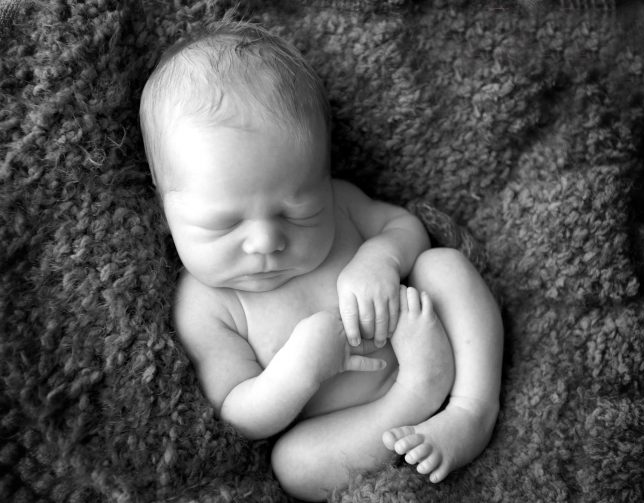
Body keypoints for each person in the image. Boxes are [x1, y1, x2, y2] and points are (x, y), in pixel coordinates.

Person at [139, 21, 503, 502]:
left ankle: (472, 408)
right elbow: (237, 411)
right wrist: (299, 370)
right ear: (165, 207)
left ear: (322, 176)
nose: (267, 240)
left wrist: (380, 258)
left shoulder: (341, 202)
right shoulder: (206, 305)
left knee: (445, 267)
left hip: (426, 329)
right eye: (224, 225)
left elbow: (406, 227)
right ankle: (417, 393)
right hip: (357, 423)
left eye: (298, 211)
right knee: (293, 465)